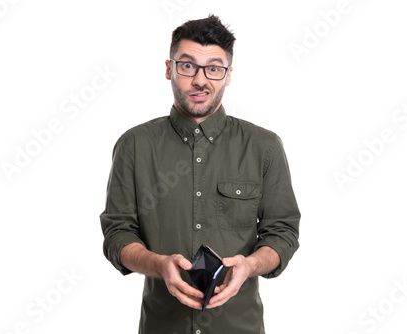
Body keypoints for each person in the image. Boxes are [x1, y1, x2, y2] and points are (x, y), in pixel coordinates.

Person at [100, 14, 300, 334]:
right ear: (169, 68)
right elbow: (117, 234)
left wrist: (249, 265)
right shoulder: (134, 146)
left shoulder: (264, 147)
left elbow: (283, 233)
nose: (200, 80)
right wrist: (159, 265)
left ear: (228, 75)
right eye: (188, 65)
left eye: (214, 68)